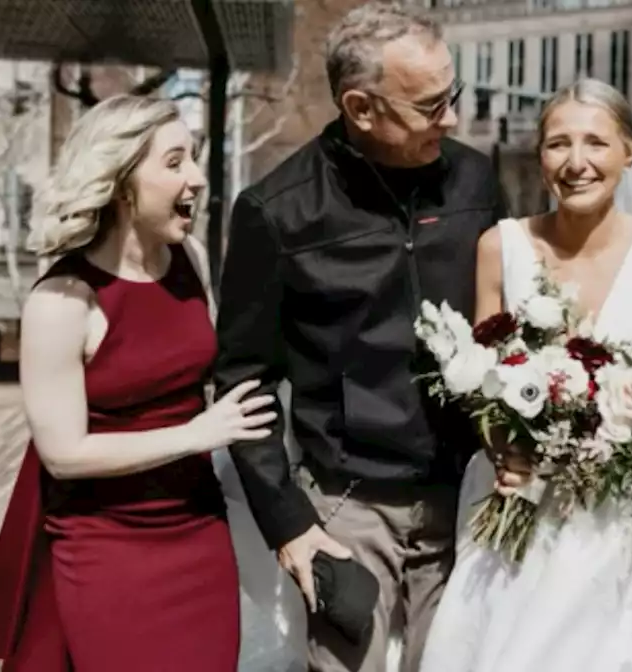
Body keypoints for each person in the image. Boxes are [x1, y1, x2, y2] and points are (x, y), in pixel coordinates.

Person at [211, 3, 506, 671]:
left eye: (450, 95)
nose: (452, 120)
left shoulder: (477, 181)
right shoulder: (276, 212)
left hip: (467, 495)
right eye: (430, 105)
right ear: (361, 107)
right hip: (346, 503)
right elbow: (243, 381)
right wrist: (289, 525)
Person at [0, 95, 275, 671]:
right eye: (175, 162)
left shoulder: (192, 261)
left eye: (195, 159)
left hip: (198, 533)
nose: (197, 179)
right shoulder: (61, 302)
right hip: (105, 547)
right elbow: (64, 455)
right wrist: (196, 434)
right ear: (123, 181)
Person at [419, 78, 632, 672]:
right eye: (558, 144)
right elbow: (482, 380)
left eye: (596, 143)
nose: (576, 163)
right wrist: (504, 447)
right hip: (523, 509)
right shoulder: (500, 246)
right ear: (540, 156)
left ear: (631, 152)